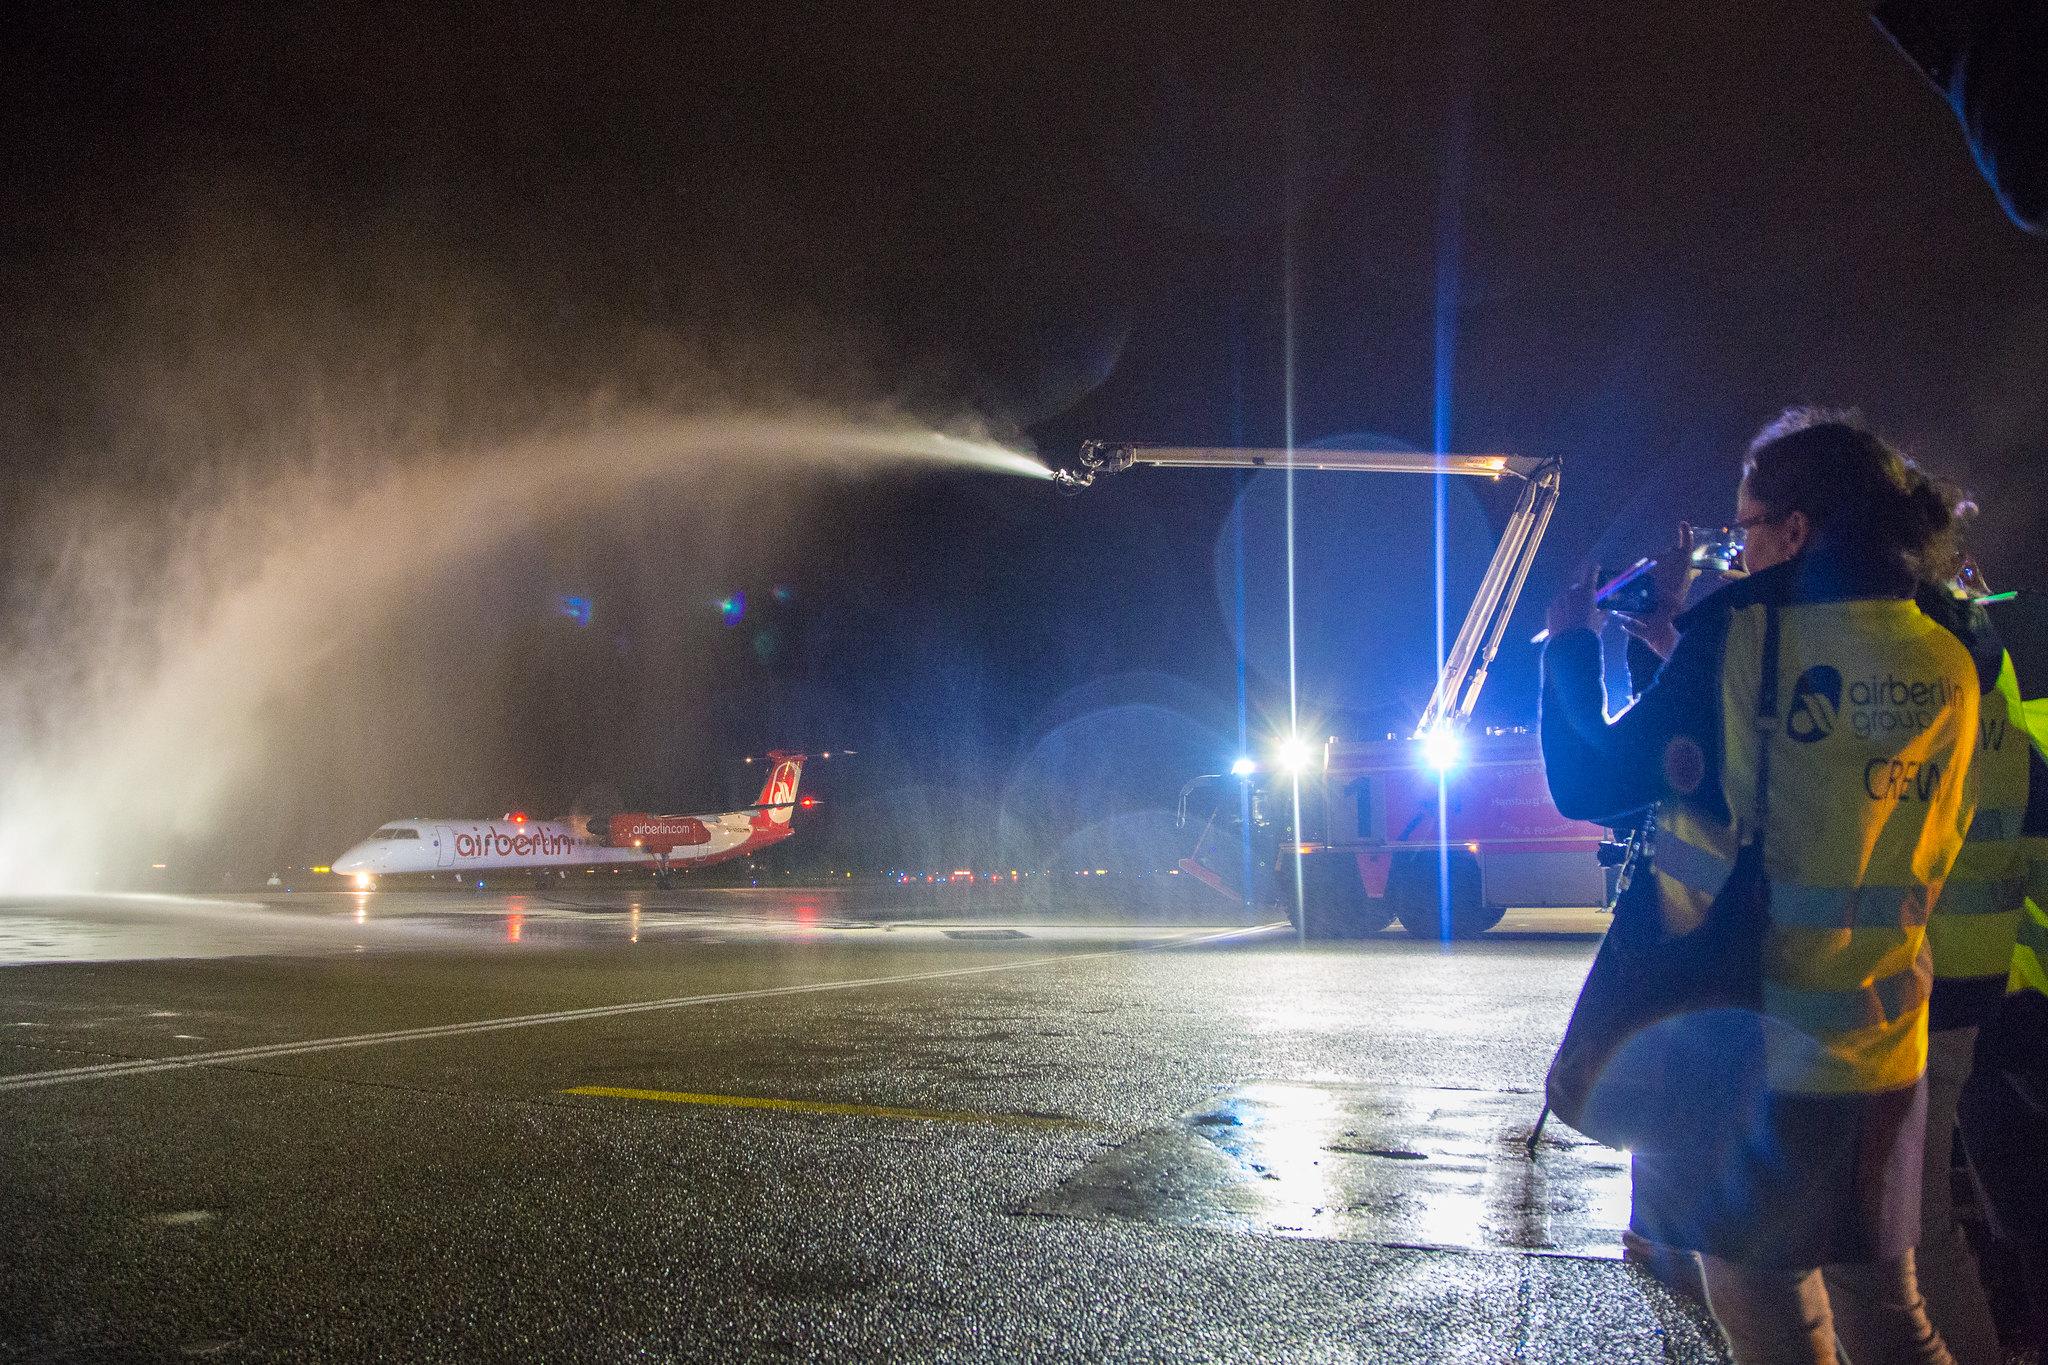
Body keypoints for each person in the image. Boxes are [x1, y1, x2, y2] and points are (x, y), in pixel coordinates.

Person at [1541, 409, 1977, 1364]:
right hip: (1885, 1037)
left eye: (1744, 529)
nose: (1735, 553)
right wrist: (1679, 650)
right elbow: (1826, 771)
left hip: (1758, 1040)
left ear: (1797, 529)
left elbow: (1591, 780)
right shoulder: (1945, 645)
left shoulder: (1741, 631)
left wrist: (1569, 647)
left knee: (1758, 1294)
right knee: (1888, 1308)